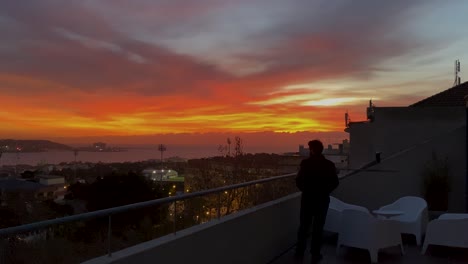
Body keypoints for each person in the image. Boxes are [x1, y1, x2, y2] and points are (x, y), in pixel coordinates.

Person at [295, 140, 339, 263]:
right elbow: (335, 182)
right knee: (318, 228)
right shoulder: (329, 165)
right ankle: (315, 253)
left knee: (304, 227)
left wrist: (306, 190)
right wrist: (325, 191)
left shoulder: (305, 163)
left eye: (310, 149)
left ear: (312, 150)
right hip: (322, 200)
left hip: (307, 200)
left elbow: (298, 181)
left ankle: (299, 252)